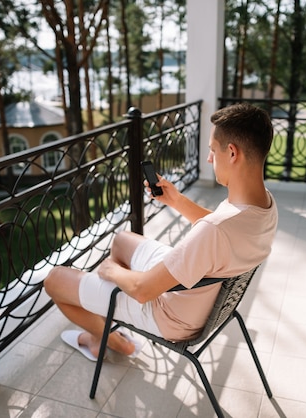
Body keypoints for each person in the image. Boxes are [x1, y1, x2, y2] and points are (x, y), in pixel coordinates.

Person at [43, 103, 278, 361]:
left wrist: (111, 271)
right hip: (201, 295)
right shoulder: (265, 205)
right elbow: (224, 230)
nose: (210, 158)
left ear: (232, 153)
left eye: (213, 150)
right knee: (122, 241)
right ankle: (105, 321)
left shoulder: (214, 231)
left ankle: (110, 340)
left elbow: (144, 291)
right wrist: (176, 200)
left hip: (171, 316)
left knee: (54, 280)